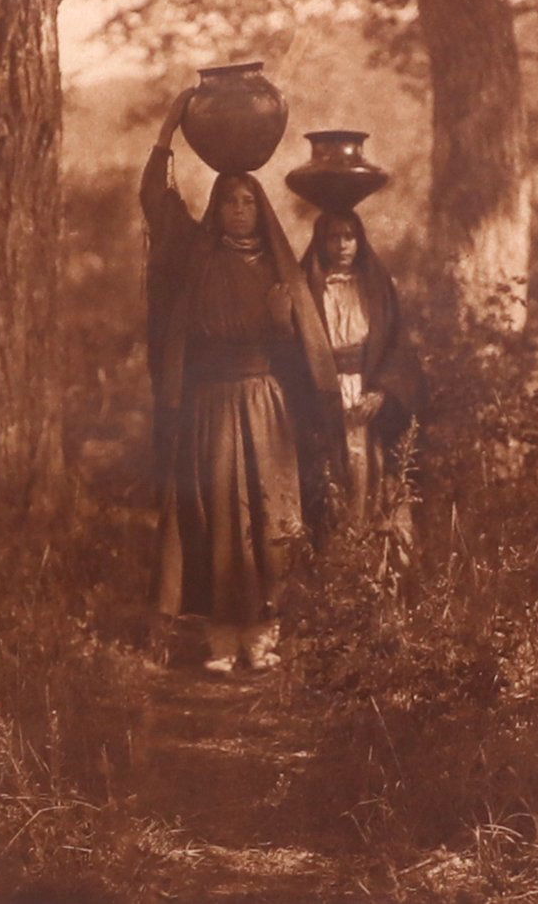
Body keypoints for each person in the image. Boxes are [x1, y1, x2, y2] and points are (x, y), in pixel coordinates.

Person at [141, 91, 343, 673]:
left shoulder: (282, 272)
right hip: (210, 407)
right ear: (217, 208)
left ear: (261, 210)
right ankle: (222, 638)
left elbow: (304, 356)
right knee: (217, 512)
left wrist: (283, 326)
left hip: (265, 407)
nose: (237, 210)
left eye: (248, 202)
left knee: (271, 512)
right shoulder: (194, 257)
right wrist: (168, 131)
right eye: (228, 202)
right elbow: (156, 203)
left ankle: (265, 634)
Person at [300, 210, 427, 527]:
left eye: (350, 236)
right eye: (334, 237)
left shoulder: (376, 286)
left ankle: (373, 551)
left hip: (367, 390)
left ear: (359, 240)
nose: (342, 245)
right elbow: (294, 349)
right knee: (332, 475)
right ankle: (337, 548)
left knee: (373, 470)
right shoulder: (308, 288)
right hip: (324, 390)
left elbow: (397, 344)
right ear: (321, 241)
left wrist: (382, 392)